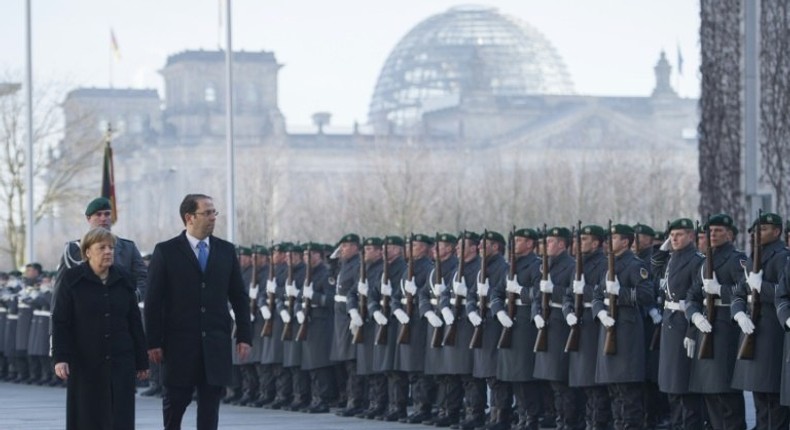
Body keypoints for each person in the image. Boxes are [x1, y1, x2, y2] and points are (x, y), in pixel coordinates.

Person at [144, 194, 252, 430]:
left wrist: (244, 335)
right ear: (189, 217)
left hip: (214, 344)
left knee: (210, 409)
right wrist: (153, 341)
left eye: (215, 212)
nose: (213, 217)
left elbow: (239, 296)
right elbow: (153, 301)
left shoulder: (225, 251)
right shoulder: (166, 252)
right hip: (178, 345)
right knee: (175, 406)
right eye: (208, 212)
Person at [52, 227, 149, 430]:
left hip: (120, 360)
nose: (108, 252)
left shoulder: (124, 279)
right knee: (87, 417)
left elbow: (133, 321)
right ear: (88, 252)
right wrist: (61, 357)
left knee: (119, 417)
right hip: (85, 361)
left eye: (111, 247)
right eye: (102, 247)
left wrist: (142, 361)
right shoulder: (72, 279)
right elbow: (61, 321)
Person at [686, 214, 746, 429]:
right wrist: (694, 316)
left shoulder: (737, 259)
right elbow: (692, 296)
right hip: (706, 327)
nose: (713, 235)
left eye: (718, 231)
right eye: (710, 231)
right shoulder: (704, 262)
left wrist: (720, 290)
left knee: (726, 396)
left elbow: (746, 292)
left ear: (729, 234)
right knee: (710, 395)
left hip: (725, 330)